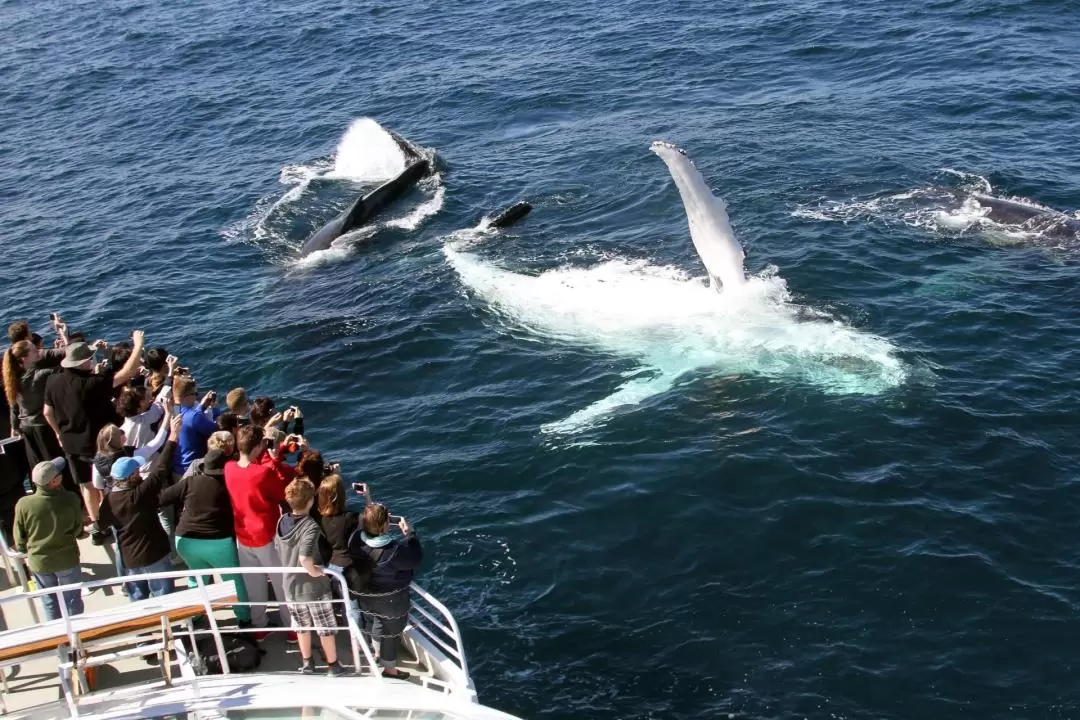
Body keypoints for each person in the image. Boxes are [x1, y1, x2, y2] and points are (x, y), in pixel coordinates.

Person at [44, 331, 145, 544]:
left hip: (71, 444)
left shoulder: (52, 382)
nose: (92, 360)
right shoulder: (92, 383)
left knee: (86, 485)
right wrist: (138, 345)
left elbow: (47, 412)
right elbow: (125, 373)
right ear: (82, 363)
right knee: (114, 481)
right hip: (100, 445)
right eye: (89, 358)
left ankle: (99, 526)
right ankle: (121, 519)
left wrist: (57, 433)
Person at [159, 447, 251, 624]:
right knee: (232, 581)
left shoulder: (190, 482)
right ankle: (244, 618)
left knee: (197, 578)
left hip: (185, 540)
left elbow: (162, 498)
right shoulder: (228, 485)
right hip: (219, 542)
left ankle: (197, 614)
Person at [97, 416, 181, 600]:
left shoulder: (109, 501)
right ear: (131, 476)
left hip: (130, 561)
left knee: (137, 601)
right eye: (136, 472)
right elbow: (160, 469)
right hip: (154, 556)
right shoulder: (139, 494)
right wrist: (173, 436)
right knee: (165, 598)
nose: (139, 473)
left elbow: (101, 524)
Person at [224, 425, 296, 632]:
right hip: (266, 534)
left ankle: (259, 626)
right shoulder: (262, 472)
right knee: (281, 582)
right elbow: (282, 492)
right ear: (257, 447)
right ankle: (291, 628)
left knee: (253, 584)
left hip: (243, 535)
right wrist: (274, 460)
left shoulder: (229, 468)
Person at [275, 478, 345, 676]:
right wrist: (317, 571)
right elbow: (305, 558)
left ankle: (307, 663)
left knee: (301, 627)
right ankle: (333, 665)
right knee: (325, 628)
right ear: (310, 502)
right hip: (313, 588)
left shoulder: (282, 521)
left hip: (290, 586)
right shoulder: (310, 526)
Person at [347, 503, 422, 678]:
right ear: (384, 526)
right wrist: (410, 534)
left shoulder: (355, 540)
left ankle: (376, 652)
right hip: (390, 600)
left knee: (375, 621)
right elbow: (415, 558)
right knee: (391, 631)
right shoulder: (394, 551)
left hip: (364, 595)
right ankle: (389, 669)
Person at [13, 458, 84, 621]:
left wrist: (23, 550)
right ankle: (79, 635)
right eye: (59, 473)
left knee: (49, 601)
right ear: (54, 481)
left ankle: (59, 640)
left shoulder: (23, 504)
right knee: (72, 599)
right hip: (67, 559)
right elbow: (77, 528)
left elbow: (19, 536)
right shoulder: (70, 499)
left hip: (40, 562)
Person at [4, 340, 75, 490]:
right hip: (43, 427)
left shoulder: (13, 379)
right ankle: (68, 494)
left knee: (36, 467)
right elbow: (64, 368)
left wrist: (14, 426)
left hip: (27, 428)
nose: (39, 352)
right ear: (24, 359)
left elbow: (14, 406)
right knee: (56, 464)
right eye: (34, 351)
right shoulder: (39, 375)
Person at [316, 475, 368, 622]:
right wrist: (367, 497)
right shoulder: (352, 517)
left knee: (344, 603)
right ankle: (358, 640)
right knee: (353, 607)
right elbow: (371, 523)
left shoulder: (319, 520)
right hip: (350, 568)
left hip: (331, 568)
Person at [172, 376, 221, 480]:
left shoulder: (173, 410)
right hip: (192, 471)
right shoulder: (194, 417)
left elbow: (188, 418)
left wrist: (202, 407)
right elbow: (218, 431)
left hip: (177, 469)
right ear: (185, 396)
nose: (196, 397)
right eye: (195, 394)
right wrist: (216, 409)